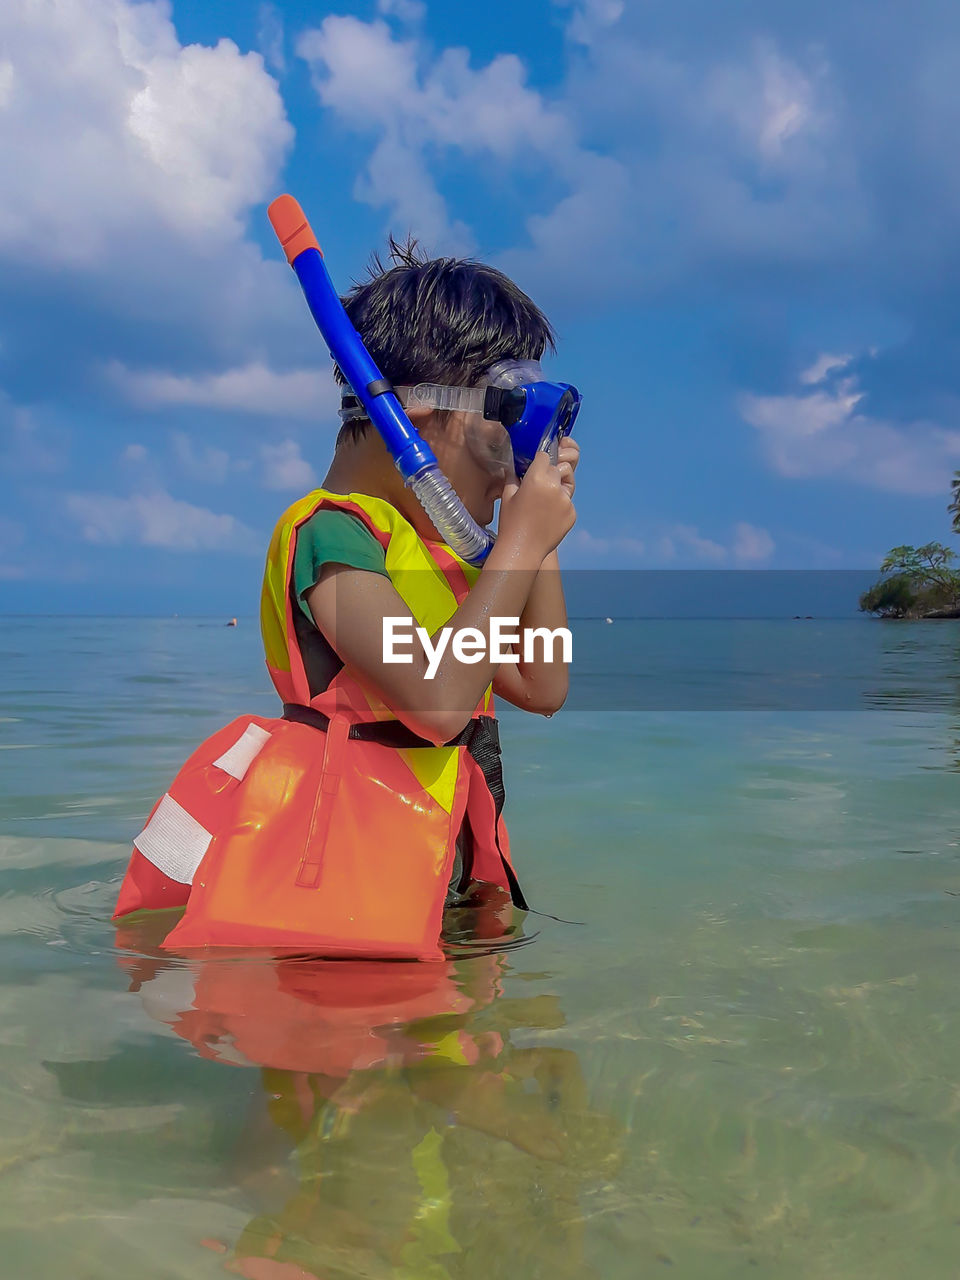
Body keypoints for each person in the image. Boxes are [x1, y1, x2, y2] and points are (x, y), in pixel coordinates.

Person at [113, 237, 579, 959]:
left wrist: (536, 542)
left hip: (435, 889)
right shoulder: (334, 537)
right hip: (339, 905)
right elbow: (436, 702)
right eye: (506, 423)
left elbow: (544, 682)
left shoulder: (456, 564)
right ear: (420, 414)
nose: (512, 456)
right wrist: (516, 547)